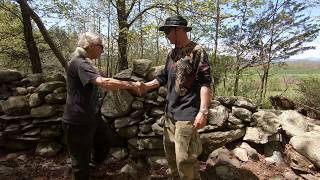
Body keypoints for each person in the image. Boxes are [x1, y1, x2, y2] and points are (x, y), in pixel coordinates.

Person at [62, 32, 143, 180]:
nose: (103, 50)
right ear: (91, 46)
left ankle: (92, 167)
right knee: (80, 161)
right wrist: (130, 84)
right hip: (78, 120)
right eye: (101, 47)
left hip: (91, 116)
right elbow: (104, 83)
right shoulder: (80, 63)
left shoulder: (84, 62)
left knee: (104, 141)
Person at [140, 15, 212, 180]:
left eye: (167, 30)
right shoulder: (172, 54)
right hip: (170, 113)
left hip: (187, 114)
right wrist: (145, 86)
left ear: (178, 30)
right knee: (172, 157)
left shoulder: (197, 51)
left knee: (184, 159)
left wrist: (203, 111)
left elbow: (205, 83)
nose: (165, 34)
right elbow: (163, 77)